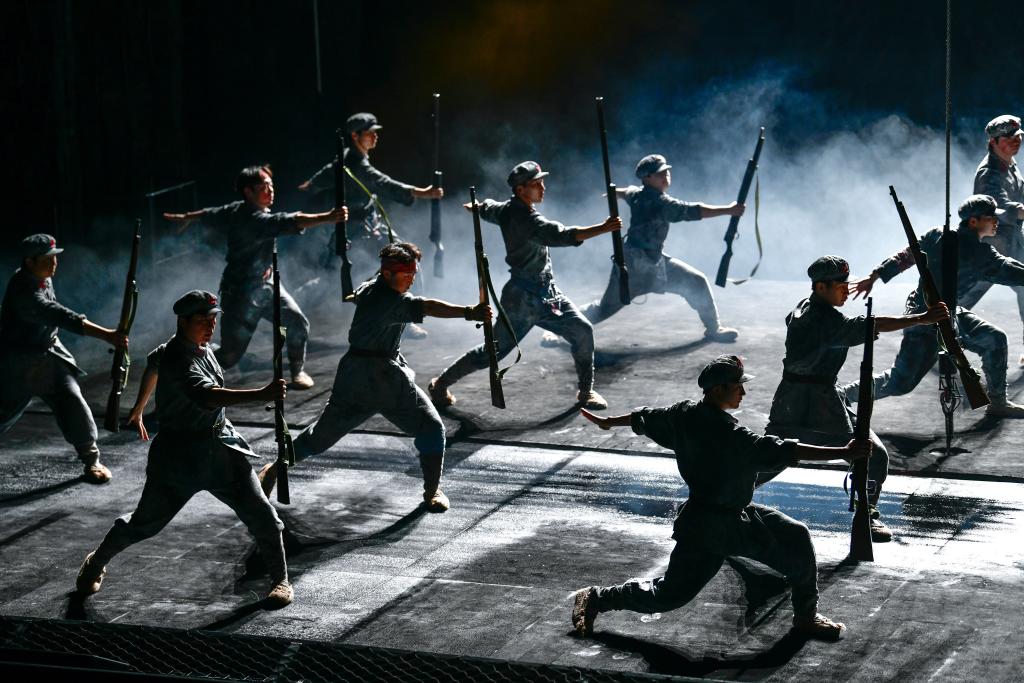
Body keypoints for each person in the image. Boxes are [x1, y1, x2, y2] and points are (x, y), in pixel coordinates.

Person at [571, 354, 871, 641]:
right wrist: (844, 452)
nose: (743, 392)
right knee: (668, 596)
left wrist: (609, 421)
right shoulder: (729, 435)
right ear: (718, 390)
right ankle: (597, 598)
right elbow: (782, 450)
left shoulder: (683, 414)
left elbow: (644, 418)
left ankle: (806, 615)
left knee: (796, 534)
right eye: (737, 386)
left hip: (738, 515)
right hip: (707, 528)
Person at [75, 290, 293, 607]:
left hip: (221, 450)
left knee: (263, 516)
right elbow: (208, 396)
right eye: (202, 320)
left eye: (213, 319)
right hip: (178, 458)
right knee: (143, 524)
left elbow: (153, 362)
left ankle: (280, 580)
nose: (210, 326)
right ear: (183, 321)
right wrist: (261, 394)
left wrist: (139, 406)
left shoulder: (199, 348)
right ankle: (96, 562)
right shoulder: (179, 358)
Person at [258, 242, 491, 512]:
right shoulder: (387, 300)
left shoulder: (372, 286)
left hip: (385, 376)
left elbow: (358, 293)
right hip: (361, 379)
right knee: (319, 438)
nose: (411, 280)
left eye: (413, 274)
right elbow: (427, 306)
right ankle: (274, 469)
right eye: (406, 275)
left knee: (431, 428)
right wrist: (469, 312)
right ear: (388, 274)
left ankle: (432, 491)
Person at [764, 256, 948, 541]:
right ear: (821, 287)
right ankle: (726, 497)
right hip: (800, 402)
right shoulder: (819, 320)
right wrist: (921, 318)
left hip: (822, 396)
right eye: (840, 286)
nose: (846, 291)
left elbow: (862, 325)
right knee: (772, 456)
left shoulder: (809, 307)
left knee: (873, 455)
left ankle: (866, 512)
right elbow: (870, 324)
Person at [428, 161, 622, 410]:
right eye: (537, 184)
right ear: (521, 190)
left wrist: (479, 207)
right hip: (521, 299)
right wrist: (603, 228)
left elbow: (491, 208)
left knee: (582, 330)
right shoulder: (526, 219)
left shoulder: (508, 209)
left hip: (547, 293)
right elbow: (561, 234)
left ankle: (586, 391)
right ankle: (441, 383)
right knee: (493, 352)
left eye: (542, 183)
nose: (543, 188)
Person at [165, 164, 346, 389]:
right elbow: (287, 220)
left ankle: (297, 371)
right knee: (229, 356)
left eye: (271, 185)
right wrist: (327, 217)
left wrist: (188, 216)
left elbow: (211, 213)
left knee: (296, 322)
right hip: (241, 293)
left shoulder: (236, 209)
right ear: (248, 192)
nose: (270, 190)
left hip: (267, 285)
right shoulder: (250, 219)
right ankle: (187, 357)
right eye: (263, 187)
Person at [849, 195, 1024, 417]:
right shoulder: (978, 253)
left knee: (994, 338)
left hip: (949, 313)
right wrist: (875, 275)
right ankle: (842, 394)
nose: (996, 222)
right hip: (923, 318)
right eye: (991, 218)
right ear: (973, 222)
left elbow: (907, 255)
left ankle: (998, 402)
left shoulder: (939, 236)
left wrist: (875, 276)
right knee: (900, 381)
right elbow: (909, 255)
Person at [0, 234, 128, 483]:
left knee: (71, 399)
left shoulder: (41, 276)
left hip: (49, 356)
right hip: (19, 363)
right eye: (47, 260)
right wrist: (107, 335)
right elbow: (58, 314)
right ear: (29, 262)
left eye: (54, 258)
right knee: (4, 412)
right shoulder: (24, 289)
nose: (54, 264)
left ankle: (91, 460)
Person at [300, 112, 441, 338]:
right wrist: (423, 193)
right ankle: (293, 307)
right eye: (370, 133)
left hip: (368, 225)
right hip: (356, 230)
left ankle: (404, 321)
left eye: (375, 132)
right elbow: (383, 183)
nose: (375, 136)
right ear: (355, 136)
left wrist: (311, 184)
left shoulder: (349, 158)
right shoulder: (354, 164)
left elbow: (326, 174)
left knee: (405, 260)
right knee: (331, 280)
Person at [579, 153, 744, 342]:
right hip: (634, 268)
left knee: (696, 281)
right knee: (604, 309)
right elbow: (692, 210)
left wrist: (615, 192)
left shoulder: (637, 194)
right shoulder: (660, 203)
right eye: (659, 174)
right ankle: (561, 325)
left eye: (666, 172)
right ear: (647, 178)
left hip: (655, 262)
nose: (665, 176)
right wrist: (729, 210)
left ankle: (714, 328)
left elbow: (628, 192)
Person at [962, 115, 1024, 364]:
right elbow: (998, 208)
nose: (1015, 142)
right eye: (1008, 139)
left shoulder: (1010, 164)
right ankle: (936, 334)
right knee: (967, 293)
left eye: (1018, 137)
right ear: (994, 142)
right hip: (992, 243)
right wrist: (1020, 211)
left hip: (1014, 241)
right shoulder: (988, 173)